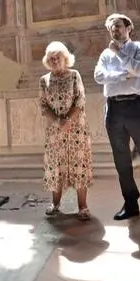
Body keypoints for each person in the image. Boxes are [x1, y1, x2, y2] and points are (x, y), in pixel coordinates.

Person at [93, 13, 140, 225]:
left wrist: (120, 57)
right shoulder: (105, 54)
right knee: (121, 160)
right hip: (114, 108)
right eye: (110, 28)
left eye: (117, 26)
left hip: (137, 105)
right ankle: (130, 204)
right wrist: (122, 75)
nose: (114, 30)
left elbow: (139, 69)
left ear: (128, 27)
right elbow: (99, 77)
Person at [39, 42, 93, 220]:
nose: (55, 61)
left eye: (58, 58)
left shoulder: (74, 75)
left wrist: (68, 120)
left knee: (79, 166)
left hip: (76, 129)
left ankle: (83, 207)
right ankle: (55, 204)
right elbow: (43, 105)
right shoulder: (44, 80)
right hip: (55, 132)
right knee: (55, 167)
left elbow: (80, 99)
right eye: (51, 59)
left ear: (65, 59)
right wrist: (57, 121)